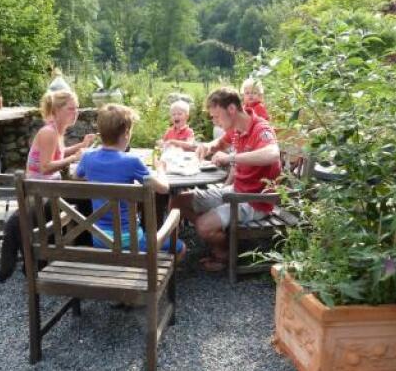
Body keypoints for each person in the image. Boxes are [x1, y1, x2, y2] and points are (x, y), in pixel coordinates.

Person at [170, 87, 281, 272]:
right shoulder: (236, 129)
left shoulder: (260, 128)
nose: (215, 121)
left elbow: (272, 154)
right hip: (236, 191)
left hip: (255, 201)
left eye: (216, 117)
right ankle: (219, 236)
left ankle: (225, 253)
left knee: (203, 226)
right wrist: (207, 146)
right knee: (177, 202)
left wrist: (231, 158)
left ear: (231, 109)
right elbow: (220, 143)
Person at [0, 90, 95, 282]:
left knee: (85, 195)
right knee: (86, 197)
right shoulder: (48, 132)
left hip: (50, 187)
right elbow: (46, 167)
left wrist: (80, 145)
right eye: (71, 109)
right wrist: (73, 158)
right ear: (57, 110)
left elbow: (58, 153)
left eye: (77, 108)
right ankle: (81, 251)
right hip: (41, 190)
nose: (75, 112)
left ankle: (78, 248)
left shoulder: (56, 130)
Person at [75, 103, 186, 262]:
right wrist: (160, 168)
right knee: (180, 247)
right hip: (131, 241)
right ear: (126, 133)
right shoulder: (132, 161)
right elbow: (163, 188)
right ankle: (155, 279)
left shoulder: (87, 158)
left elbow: (77, 176)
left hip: (99, 239)